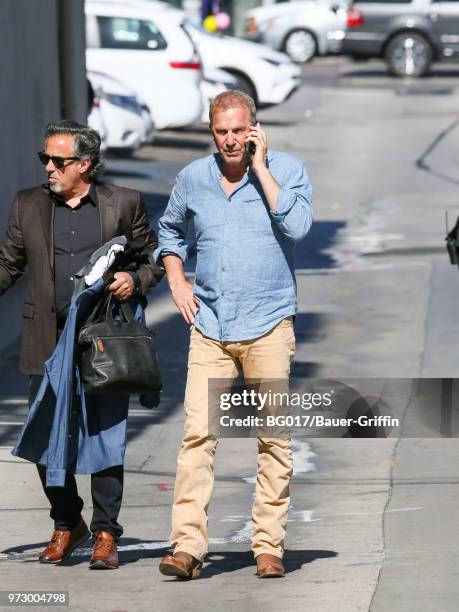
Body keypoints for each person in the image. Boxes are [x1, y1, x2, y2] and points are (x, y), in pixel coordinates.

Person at [155, 90, 313, 579]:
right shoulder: (193, 179)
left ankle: (268, 547)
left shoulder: (286, 171)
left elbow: (300, 225)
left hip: (268, 324)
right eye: (221, 131)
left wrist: (261, 169)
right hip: (212, 326)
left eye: (239, 130)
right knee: (197, 438)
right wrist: (177, 278)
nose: (230, 140)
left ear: (254, 129)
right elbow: (170, 232)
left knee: (274, 440)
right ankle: (187, 547)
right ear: (211, 133)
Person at [0, 120, 162, 569]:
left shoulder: (122, 204)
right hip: (48, 341)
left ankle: (107, 532)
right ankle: (68, 522)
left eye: (58, 160)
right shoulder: (27, 204)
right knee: (43, 437)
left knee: (106, 436)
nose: (49, 168)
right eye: (45, 159)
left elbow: (153, 260)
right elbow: (8, 264)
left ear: (85, 164)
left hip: (102, 340)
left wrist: (135, 278)